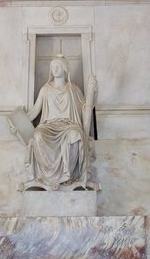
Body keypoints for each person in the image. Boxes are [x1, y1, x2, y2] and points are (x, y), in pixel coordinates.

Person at [23, 56, 97, 190]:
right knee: (38, 135)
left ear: (65, 69)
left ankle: (67, 176)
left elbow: (86, 110)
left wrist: (92, 92)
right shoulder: (45, 89)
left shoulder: (73, 89)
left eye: (58, 66)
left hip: (69, 126)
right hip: (48, 126)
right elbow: (34, 112)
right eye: (52, 67)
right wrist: (17, 123)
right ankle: (48, 177)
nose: (54, 69)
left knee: (75, 135)